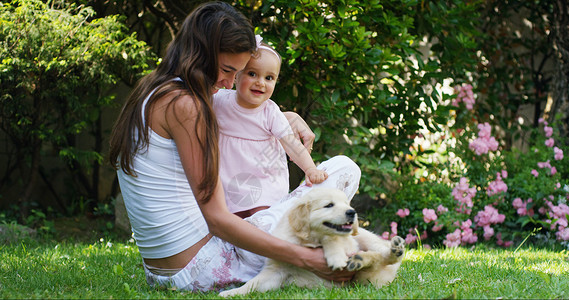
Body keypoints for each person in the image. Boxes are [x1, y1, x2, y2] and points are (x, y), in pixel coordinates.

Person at [108, 1, 361, 292]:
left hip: (168, 270)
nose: (229, 84)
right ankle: (326, 255)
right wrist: (306, 259)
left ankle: (333, 251)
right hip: (205, 266)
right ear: (200, 53)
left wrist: (284, 117)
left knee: (331, 182)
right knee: (344, 169)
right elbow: (217, 220)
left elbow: (240, 117)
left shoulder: (155, 89)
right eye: (228, 70)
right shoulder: (186, 105)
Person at [214, 37, 328, 218]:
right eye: (252, 74)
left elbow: (292, 144)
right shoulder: (219, 100)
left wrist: (310, 169)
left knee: (263, 216)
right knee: (235, 218)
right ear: (236, 76)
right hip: (230, 177)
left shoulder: (270, 112)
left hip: (264, 176)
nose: (260, 82)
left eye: (269, 78)